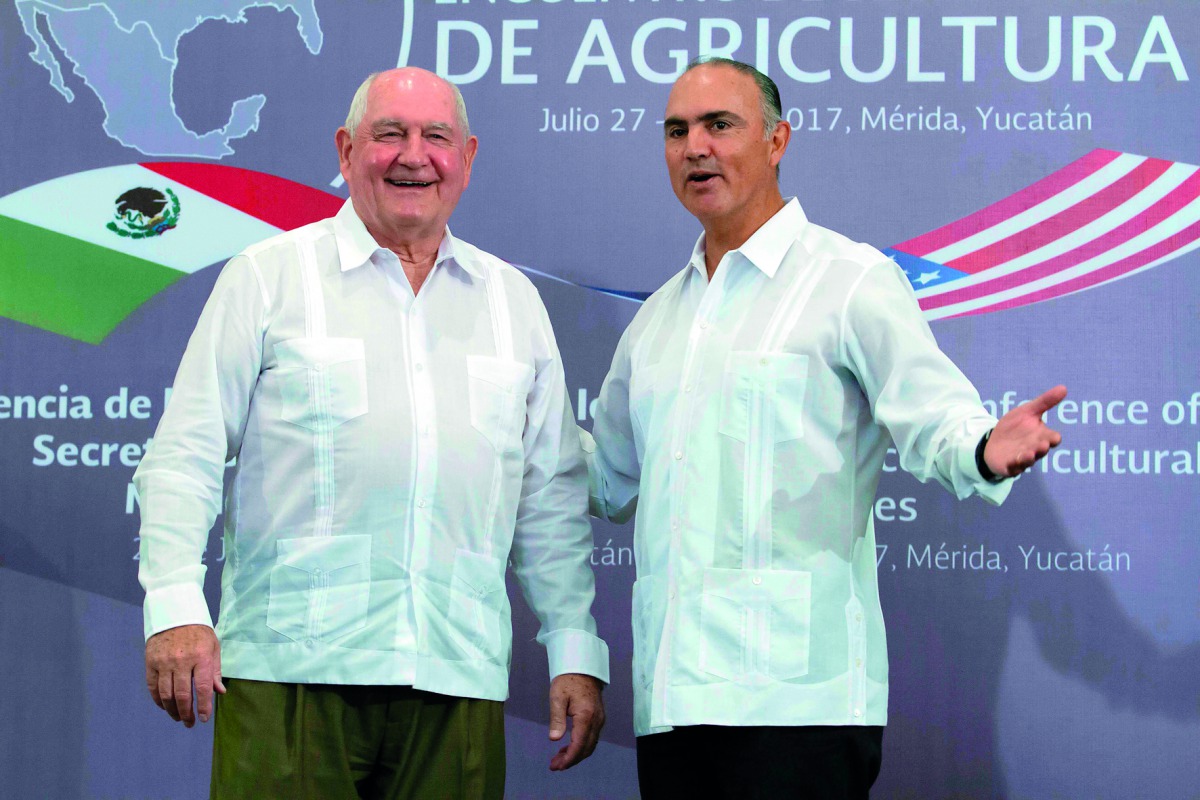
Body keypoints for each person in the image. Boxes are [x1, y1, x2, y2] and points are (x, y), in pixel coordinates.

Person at [583, 57, 1065, 799]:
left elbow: (932, 411)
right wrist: (500, 437)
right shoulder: (657, 321)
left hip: (798, 704)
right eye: (677, 131)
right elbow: (609, 478)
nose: (695, 148)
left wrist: (981, 448)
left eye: (720, 125)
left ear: (777, 141)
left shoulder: (849, 280)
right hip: (673, 703)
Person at [135, 67, 607, 799]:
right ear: (347, 150)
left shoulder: (512, 302)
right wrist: (173, 608)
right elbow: (184, 455)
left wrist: (573, 648)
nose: (412, 156)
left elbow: (548, 496)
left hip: (456, 674)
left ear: (468, 158)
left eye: (435, 138)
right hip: (289, 673)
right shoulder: (268, 277)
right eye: (389, 134)